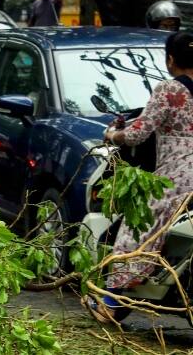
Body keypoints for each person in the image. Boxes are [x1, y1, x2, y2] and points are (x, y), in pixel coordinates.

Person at [94, 31, 193, 321]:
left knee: (136, 227)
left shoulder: (168, 91)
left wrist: (112, 134)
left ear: (170, 59)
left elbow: (137, 135)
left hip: (179, 176)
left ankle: (113, 301)